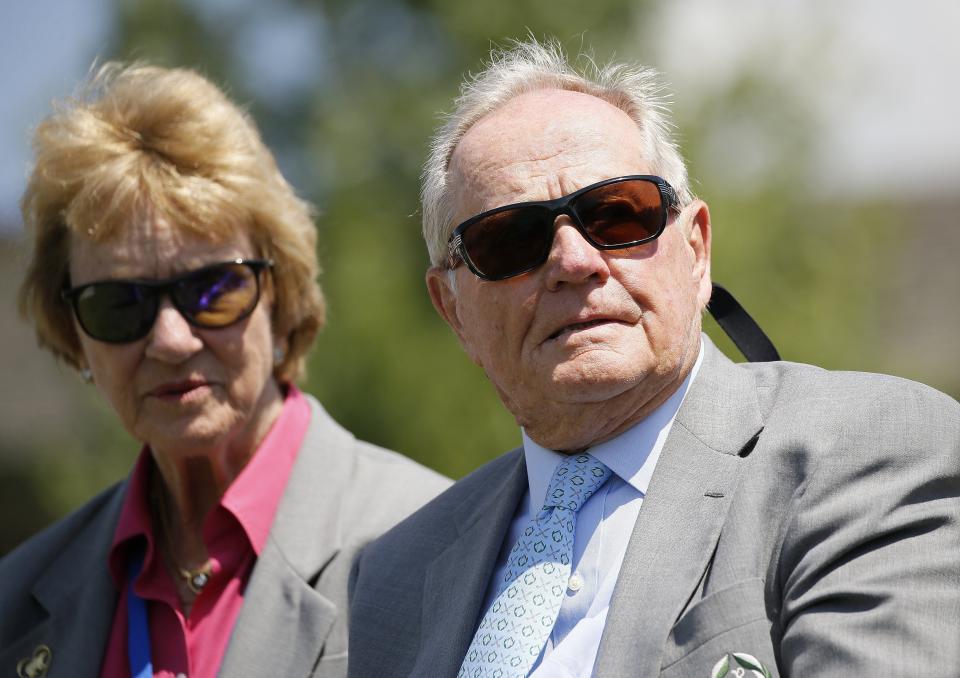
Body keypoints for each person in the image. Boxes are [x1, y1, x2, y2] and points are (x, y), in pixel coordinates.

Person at [348, 38, 960, 677]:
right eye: (511, 239)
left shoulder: (867, 455)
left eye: (616, 216)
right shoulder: (397, 575)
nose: (573, 262)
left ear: (695, 252)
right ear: (453, 311)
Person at [0, 62, 448, 678]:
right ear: (72, 333)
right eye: (117, 304)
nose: (170, 339)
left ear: (282, 298)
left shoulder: (434, 540)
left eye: (212, 289)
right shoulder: (18, 600)